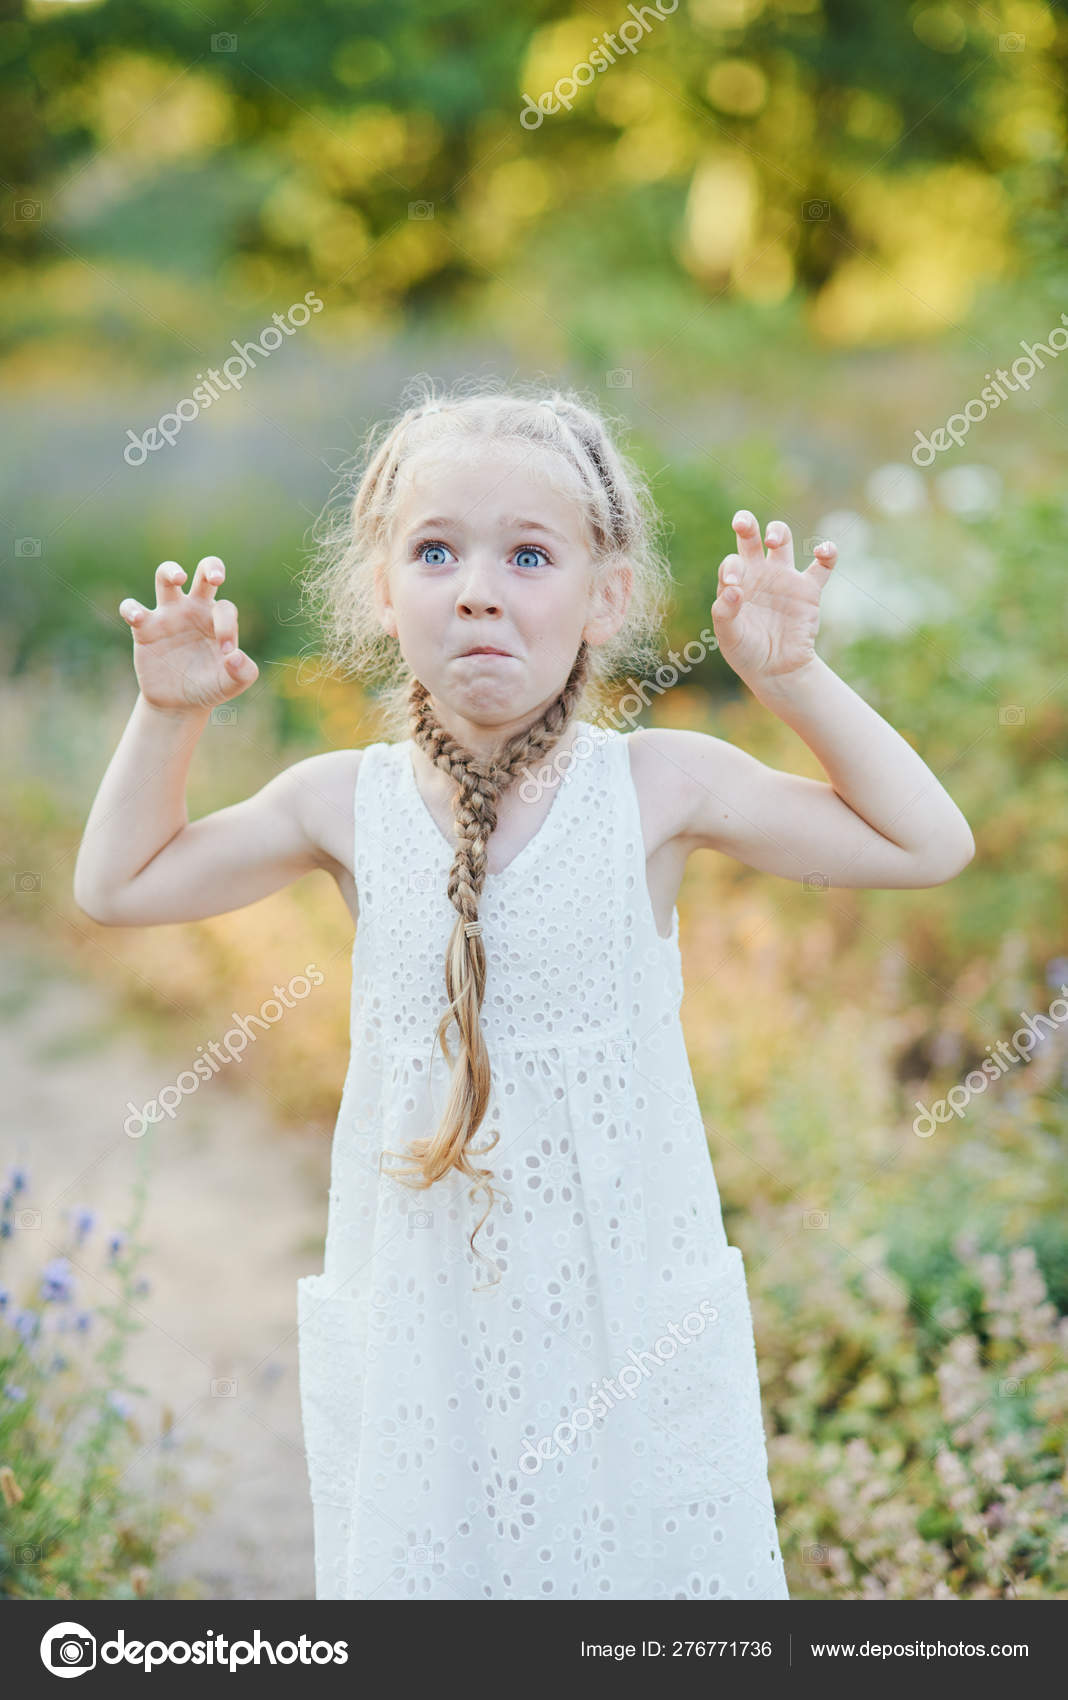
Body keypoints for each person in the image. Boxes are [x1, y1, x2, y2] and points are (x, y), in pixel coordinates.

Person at [74, 382, 975, 1600]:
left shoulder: (661, 786)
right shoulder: (340, 800)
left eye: (529, 553)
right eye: (436, 550)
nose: (479, 586)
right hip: (426, 1301)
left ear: (606, 597)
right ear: (383, 593)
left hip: (621, 1301)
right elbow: (119, 883)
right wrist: (165, 714)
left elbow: (929, 843)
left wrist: (795, 678)